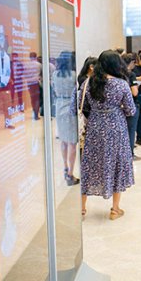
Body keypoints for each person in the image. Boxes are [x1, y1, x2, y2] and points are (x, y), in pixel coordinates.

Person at [72, 50, 135, 220]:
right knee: (116, 163)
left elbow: (78, 104)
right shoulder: (121, 84)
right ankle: (115, 210)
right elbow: (131, 110)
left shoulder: (88, 82)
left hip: (94, 128)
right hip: (116, 129)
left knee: (89, 164)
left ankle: (82, 209)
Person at [52, 51, 80, 185]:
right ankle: (70, 173)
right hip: (70, 106)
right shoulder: (74, 75)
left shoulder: (55, 74)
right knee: (72, 142)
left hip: (59, 105)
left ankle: (65, 167)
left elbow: (53, 90)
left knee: (63, 140)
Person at [122, 53, 141, 161]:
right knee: (131, 130)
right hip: (132, 104)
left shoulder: (117, 74)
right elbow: (134, 92)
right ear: (131, 63)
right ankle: (130, 154)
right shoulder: (131, 74)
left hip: (120, 106)